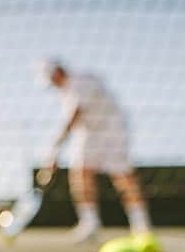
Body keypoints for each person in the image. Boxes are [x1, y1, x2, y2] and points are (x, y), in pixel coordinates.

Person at [37, 59, 154, 242]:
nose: (54, 86)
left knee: (122, 176)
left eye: (53, 81)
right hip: (88, 134)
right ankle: (90, 222)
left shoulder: (81, 82)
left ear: (57, 73)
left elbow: (75, 115)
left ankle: (141, 225)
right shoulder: (66, 93)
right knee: (80, 174)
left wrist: (55, 150)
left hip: (112, 131)